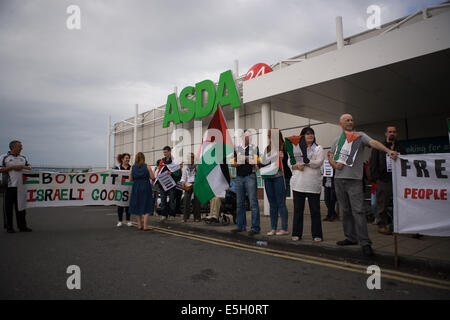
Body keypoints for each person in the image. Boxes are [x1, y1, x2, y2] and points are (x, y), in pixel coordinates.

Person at [328, 114, 398, 257]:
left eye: (352, 120)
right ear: (340, 123)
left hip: (354, 180)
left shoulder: (359, 136)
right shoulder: (337, 140)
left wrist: (388, 151)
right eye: (347, 120)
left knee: (358, 211)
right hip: (339, 180)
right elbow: (330, 154)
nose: (350, 121)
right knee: (346, 211)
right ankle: (351, 237)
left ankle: (365, 242)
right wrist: (334, 163)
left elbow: (373, 143)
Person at [289, 127, 324, 242]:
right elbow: (290, 162)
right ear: (302, 136)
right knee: (298, 211)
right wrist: (296, 166)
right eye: (307, 134)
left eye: (312, 134)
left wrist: (306, 162)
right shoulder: (296, 148)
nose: (310, 136)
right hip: (299, 184)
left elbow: (318, 162)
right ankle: (297, 233)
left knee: (315, 211)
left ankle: (317, 234)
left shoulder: (318, 148)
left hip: (313, 184)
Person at [369, 125, 406, 235]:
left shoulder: (400, 148)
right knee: (382, 204)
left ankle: (397, 225)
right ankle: (382, 225)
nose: (392, 134)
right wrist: (376, 178)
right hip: (383, 179)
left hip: (397, 180)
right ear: (386, 133)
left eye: (394, 132)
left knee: (399, 204)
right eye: (390, 132)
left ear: (396, 134)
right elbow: (373, 163)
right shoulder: (379, 147)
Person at [259, 129, 289, 236]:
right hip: (268, 178)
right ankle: (273, 228)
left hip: (279, 177)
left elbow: (287, 163)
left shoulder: (283, 147)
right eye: (269, 136)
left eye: (272, 135)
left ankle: (284, 228)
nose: (270, 138)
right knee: (272, 204)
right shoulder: (267, 148)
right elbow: (262, 162)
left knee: (281, 203)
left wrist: (283, 157)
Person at [231, 131, 260, 236]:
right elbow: (232, 163)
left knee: (253, 203)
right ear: (243, 137)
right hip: (239, 178)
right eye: (247, 136)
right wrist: (239, 162)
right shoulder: (237, 149)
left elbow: (256, 163)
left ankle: (255, 227)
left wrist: (245, 158)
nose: (249, 137)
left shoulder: (254, 148)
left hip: (250, 177)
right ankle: (240, 226)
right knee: (239, 203)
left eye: (250, 136)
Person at [0, 140, 32, 233]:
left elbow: (30, 168)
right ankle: (9, 227)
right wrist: (12, 167)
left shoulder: (23, 158)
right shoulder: (4, 157)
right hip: (9, 186)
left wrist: (21, 167)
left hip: (21, 186)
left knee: (21, 207)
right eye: (19, 146)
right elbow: (0, 169)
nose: (21, 148)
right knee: (8, 208)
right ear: (13, 147)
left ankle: (22, 226)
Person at [129, 152, 155, 231]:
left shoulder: (132, 167)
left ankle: (139, 225)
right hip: (145, 186)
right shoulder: (147, 166)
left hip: (136, 187)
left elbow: (130, 179)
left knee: (137, 204)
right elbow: (152, 177)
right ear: (143, 158)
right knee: (147, 204)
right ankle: (145, 226)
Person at [156, 146, 181, 221]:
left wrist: (172, 173)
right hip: (162, 183)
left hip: (171, 183)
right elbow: (159, 171)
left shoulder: (175, 161)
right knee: (163, 200)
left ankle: (172, 214)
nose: (165, 154)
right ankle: (164, 215)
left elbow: (178, 172)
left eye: (166, 152)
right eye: (164, 152)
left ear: (170, 151)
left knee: (172, 200)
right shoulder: (161, 161)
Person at [180, 153, 201, 222]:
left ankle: (197, 217)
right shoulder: (185, 166)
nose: (189, 160)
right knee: (186, 199)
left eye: (191, 158)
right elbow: (183, 177)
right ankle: (185, 217)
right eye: (188, 158)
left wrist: (198, 170)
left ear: (193, 159)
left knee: (196, 200)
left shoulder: (197, 165)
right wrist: (183, 183)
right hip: (188, 184)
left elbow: (201, 176)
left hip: (196, 183)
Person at [114, 153, 132, 227]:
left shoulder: (131, 167)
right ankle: (120, 221)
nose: (127, 159)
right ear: (122, 159)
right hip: (120, 190)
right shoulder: (117, 168)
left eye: (128, 158)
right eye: (126, 158)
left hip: (129, 189)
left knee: (128, 206)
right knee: (120, 206)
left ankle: (128, 220)